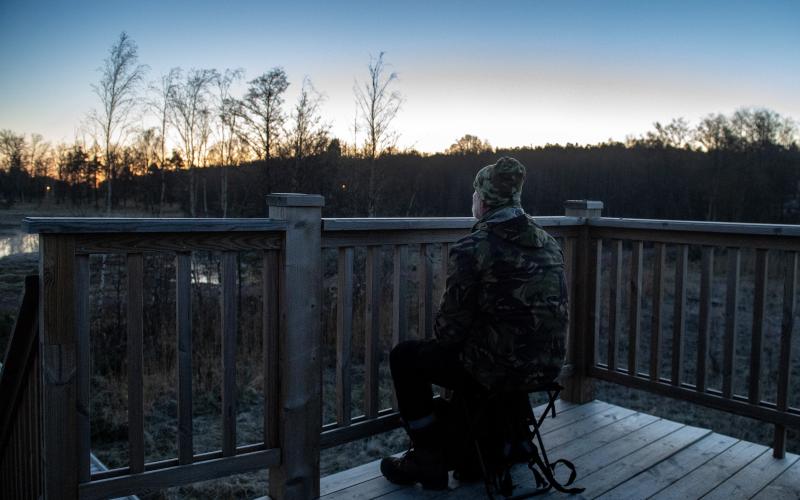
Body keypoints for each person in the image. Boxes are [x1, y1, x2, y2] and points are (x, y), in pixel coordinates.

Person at [380, 156, 568, 489]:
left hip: (500, 369)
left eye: (473, 197)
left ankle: (428, 457)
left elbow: (449, 333)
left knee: (405, 357)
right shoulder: (549, 243)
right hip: (547, 367)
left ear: (482, 201)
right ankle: (488, 449)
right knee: (488, 357)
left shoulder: (473, 247)